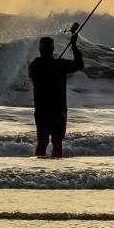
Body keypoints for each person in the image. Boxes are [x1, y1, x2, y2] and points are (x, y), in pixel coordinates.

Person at [28, 26, 84, 158]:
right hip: (58, 110)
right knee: (57, 142)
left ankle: (39, 170)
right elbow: (79, 64)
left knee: (42, 142)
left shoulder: (34, 66)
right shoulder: (60, 65)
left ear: (40, 49)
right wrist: (74, 46)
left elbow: (36, 72)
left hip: (41, 110)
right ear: (52, 49)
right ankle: (55, 169)